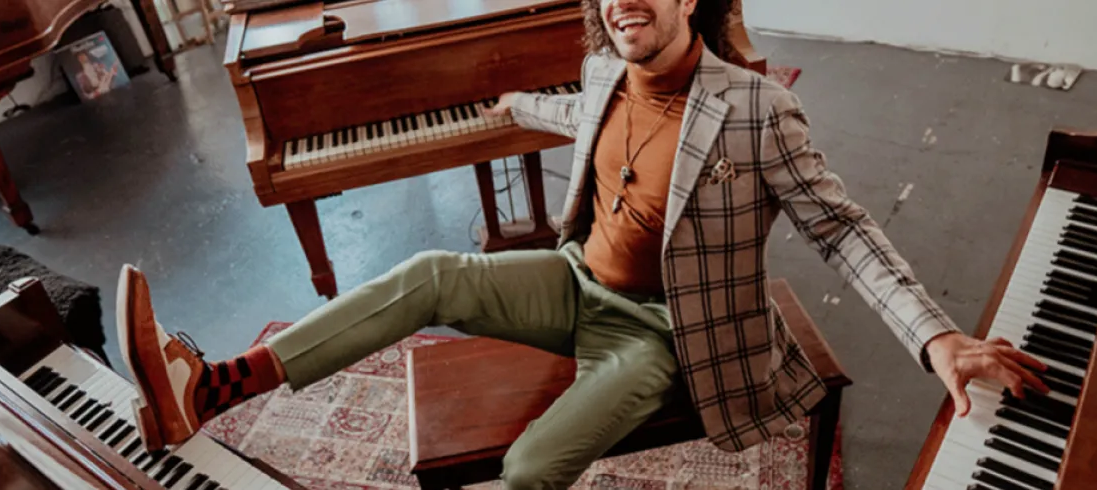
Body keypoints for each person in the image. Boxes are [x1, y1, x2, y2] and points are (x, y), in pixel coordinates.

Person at [118, 0, 1049, 486]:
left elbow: (842, 229)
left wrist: (936, 337)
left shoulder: (759, 109)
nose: (619, 3)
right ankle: (217, 387)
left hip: (662, 334)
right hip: (575, 283)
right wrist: (512, 104)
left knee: (529, 470)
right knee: (429, 273)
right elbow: (580, 112)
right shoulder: (605, 69)